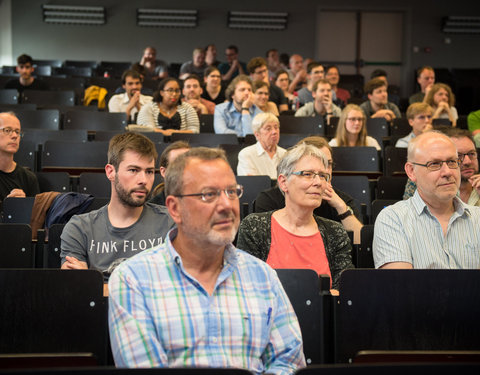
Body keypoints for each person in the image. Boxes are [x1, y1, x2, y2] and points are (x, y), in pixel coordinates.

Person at [108, 147, 305, 372]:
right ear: (175, 208)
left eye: (232, 192)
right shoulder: (132, 280)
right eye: (209, 194)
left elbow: (288, 362)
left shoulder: (263, 276)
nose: (226, 205)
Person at [237, 143, 354, 291]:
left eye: (323, 176)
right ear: (283, 182)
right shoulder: (255, 226)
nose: (318, 182)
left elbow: (344, 291)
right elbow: (247, 287)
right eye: (307, 174)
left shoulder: (335, 232)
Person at [60, 132, 174, 276]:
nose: (143, 180)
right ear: (110, 172)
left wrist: (93, 279)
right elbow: (77, 288)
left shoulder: (170, 222)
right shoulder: (80, 228)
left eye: (149, 172)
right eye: (133, 170)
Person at [373, 131, 480, 269]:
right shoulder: (393, 220)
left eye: (452, 162)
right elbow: (400, 287)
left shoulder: (477, 218)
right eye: (435, 164)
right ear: (411, 171)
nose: (448, 172)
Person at [254, 136, 363, 243]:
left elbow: (360, 245)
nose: (325, 171)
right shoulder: (269, 199)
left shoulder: (342, 201)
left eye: (328, 164)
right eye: (308, 173)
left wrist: (341, 208)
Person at [0, 112, 39, 202]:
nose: (14, 136)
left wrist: (22, 205)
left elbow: (34, 215)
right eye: (7, 130)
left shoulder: (28, 178)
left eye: (17, 132)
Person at [237, 113, 286, 179]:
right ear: (257, 134)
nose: (274, 132)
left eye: (276, 127)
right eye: (268, 129)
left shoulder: (285, 154)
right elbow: (252, 183)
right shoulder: (246, 154)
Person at [150, 141, 190, 206]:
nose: (185, 168)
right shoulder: (153, 208)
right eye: (178, 163)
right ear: (164, 172)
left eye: (189, 162)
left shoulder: (205, 201)